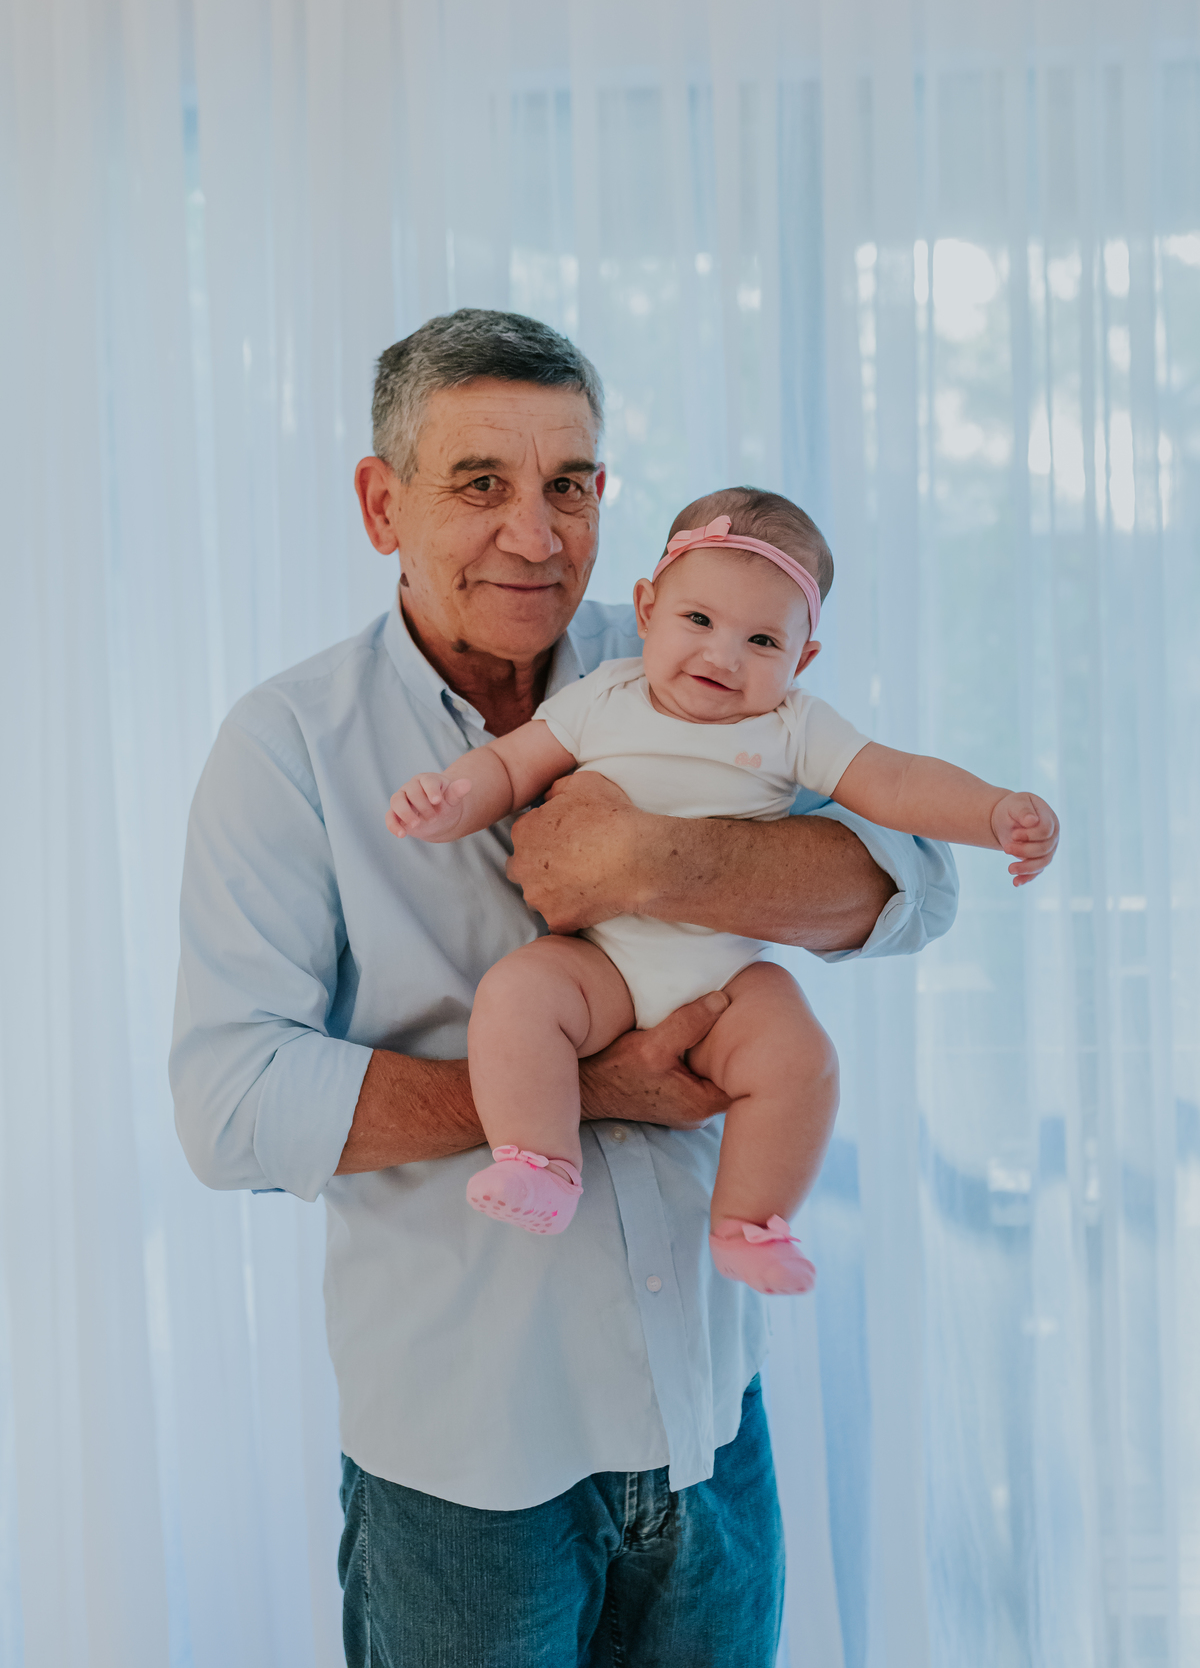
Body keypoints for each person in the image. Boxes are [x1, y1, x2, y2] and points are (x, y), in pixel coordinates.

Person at [170, 309, 959, 1668]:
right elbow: (230, 1104)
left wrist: (656, 857)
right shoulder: (287, 743)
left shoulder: (693, 648)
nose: (537, 534)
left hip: (708, 1428)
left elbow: (915, 884)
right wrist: (594, 1092)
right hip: (469, 1463)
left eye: (571, 485)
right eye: (481, 484)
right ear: (381, 503)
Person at [388, 487, 1058, 1299]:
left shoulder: (793, 727)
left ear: (803, 659)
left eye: (763, 639)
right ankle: (540, 1163)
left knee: (800, 1060)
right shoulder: (606, 694)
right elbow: (508, 765)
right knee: (519, 996)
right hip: (601, 964)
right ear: (648, 609)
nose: (723, 656)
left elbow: (897, 781)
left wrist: (994, 812)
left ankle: (748, 1223)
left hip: (726, 978)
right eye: (698, 621)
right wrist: (449, 801)